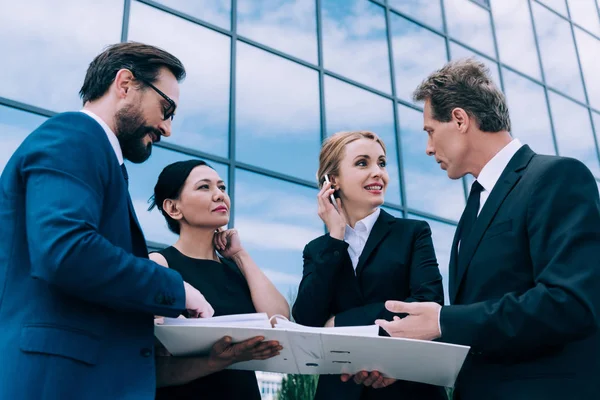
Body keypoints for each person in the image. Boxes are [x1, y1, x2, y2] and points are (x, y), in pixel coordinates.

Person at [374, 59, 600, 399]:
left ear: (460, 119)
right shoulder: (473, 209)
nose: (428, 148)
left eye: (430, 131)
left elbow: (569, 304)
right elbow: (483, 329)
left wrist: (442, 322)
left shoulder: (556, 177)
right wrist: (410, 363)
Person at [0, 42, 214, 400]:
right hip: (53, 382)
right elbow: (65, 251)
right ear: (125, 84)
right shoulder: (73, 134)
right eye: (166, 108)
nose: (167, 127)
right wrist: (176, 289)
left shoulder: (99, 156)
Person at [292, 131, 447, 400]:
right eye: (363, 163)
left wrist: (340, 322)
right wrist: (335, 237)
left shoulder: (413, 233)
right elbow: (307, 319)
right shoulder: (319, 249)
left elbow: (425, 304)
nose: (378, 172)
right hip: (340, 392)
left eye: (382, 163)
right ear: (333, 180)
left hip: (408, 388)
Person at [148, 160, 290, 399]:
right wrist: (215, 361)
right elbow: (152, 365)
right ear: (173, 208)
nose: (219, 195)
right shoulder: (160, 265)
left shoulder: (237, 268)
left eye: (222, 188)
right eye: (204, 187)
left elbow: (280, 322)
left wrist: (240, 256)